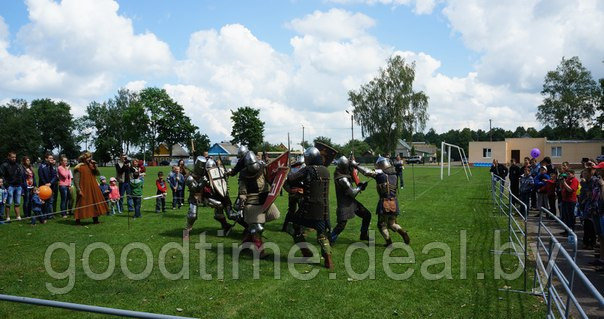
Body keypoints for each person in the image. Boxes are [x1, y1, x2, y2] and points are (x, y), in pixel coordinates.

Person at [285, 147, 334, 269]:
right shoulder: (326, 171)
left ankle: (306, 252)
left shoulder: (308, 170)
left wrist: (287, 174)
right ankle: (328, 260)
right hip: (323, 209)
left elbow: (291, 179)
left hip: (307, 208)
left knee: (292, 226)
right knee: (322, 235)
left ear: (310, 158)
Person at [228, 150, 280, 257]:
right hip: (253, 202)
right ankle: (259, 252)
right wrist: (242, 202)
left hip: (265, 200)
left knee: (259, 224)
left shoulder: (263, 168)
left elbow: (271, 179)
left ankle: (244, 246)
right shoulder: (243, 174)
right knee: (257, 228)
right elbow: (242, 190)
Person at [355, 156, 411, 247]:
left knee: (381, 224)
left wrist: (356, 166)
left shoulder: (380, 173)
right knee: (392, 223)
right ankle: (402, 232)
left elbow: (366, 172)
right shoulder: (394, 173)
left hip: (384, 202)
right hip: (394, 201)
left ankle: (388, 242)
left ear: (381, 165)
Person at [330, 155, 370, 244]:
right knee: (341, 225)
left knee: (367, 215)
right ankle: (330, 239)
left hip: (352, 203)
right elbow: (352, 193)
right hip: (344, 204)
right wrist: (360, 187)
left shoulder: (342, 173)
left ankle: (363, 234)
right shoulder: (342, 179)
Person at [73, 152, 108, 225]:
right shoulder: (79, 167)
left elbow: (98, 174)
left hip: (93, 187)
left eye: (90, 157)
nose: (90, 159)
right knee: (81, 203)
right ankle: (77, 220)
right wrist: (78, 189)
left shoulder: (91, 166)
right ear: (84, 158)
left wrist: (94, 166)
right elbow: (76, 180)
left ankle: (95, 219)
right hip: (84, 188)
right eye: (88, 158)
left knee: (94, 202)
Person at [281, 155, 305, 232]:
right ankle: (299, 229)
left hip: (293, 193)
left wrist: (290, 190)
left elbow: (285, 182)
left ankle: (285, 227)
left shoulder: (291, 169)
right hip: (299, 193)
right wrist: (290, 190)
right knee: (301, 211)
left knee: (291, 211)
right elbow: (284, 182)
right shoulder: (303, 170)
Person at [1, 152, 25, 221]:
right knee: (8, 203)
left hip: (18, 186)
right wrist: (7, 185)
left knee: (17, 202)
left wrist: (20, 184)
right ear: (9, 157)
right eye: (12, 157)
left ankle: (18, 216)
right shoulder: (4, 165)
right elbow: (2, 176)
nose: (14, 158)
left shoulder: (18, 165)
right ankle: (7, 217)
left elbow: (20, 175)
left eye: (15, 157)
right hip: (10, 186)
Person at [38, 153, 58, 219]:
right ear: (46, 159)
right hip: (43, 187)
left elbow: (55, 176)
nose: (52, 160)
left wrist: (50, 183)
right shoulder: (41, 166)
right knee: (43, 201)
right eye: (50, 158)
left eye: (52, 158)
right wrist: (46, 183)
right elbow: (41, 176)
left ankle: (50, 215)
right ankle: (43, 215)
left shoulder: (53, 167)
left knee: (50, 201)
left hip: (51, 186)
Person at [560, 169, 579, 234]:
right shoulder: (567, 180)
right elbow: (562, 188)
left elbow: (570, 190)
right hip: (565, 200)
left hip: (571, 201)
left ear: (573, 174)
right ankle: (566, 230)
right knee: (566, 216)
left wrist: (564, 183)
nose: (567, 175)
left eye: (569, 174)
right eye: (567, 174)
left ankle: (571, 231)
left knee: (571, 216)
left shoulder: (574, 180)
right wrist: (562, 182)